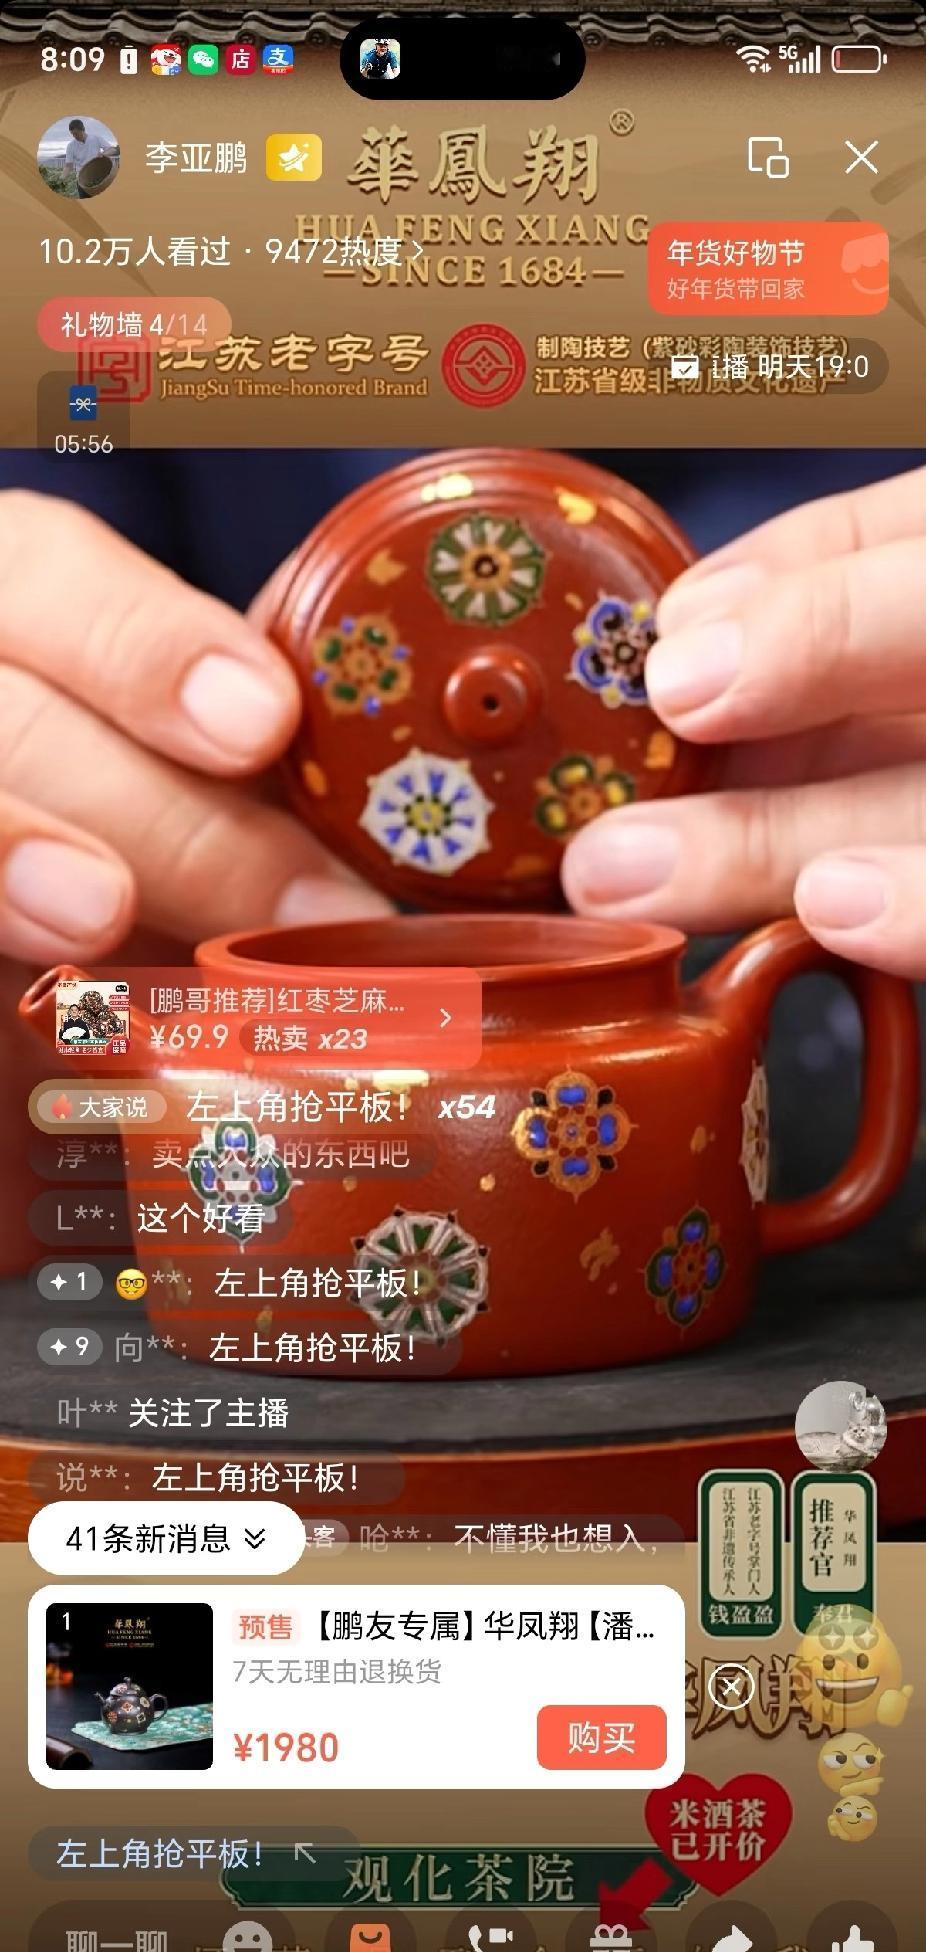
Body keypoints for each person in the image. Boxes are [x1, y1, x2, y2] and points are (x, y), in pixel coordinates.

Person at [62, 118, 116, 198]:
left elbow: (113, 150)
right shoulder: (71, 146)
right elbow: (68, 166)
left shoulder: (95, 138)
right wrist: (62, 178)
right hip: (82, 182)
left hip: (99, 178)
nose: (74, 136)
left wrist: (104, 154)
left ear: (83, 129)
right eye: (72, 134)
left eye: (76, 133)